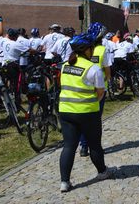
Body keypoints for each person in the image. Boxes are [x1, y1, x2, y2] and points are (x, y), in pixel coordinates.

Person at [58, 32, 111, 193]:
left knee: (68, 146)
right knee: (94, 144)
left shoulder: (65, 65)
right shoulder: (93, 68)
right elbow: (100, 92)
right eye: (91, 48)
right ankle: (102, 172)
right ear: (86, 50)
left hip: (66, 110)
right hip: (87, 112)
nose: (93, 50)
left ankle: (64, 182)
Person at [79, 22, 110, 157]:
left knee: (83, 119)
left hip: (83, 86)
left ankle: (83, 146)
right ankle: (95, 146)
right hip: (99, 89)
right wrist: (106, 82)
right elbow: (107, 71)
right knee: (95, 120)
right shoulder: (102, 50)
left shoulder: (82, 48)